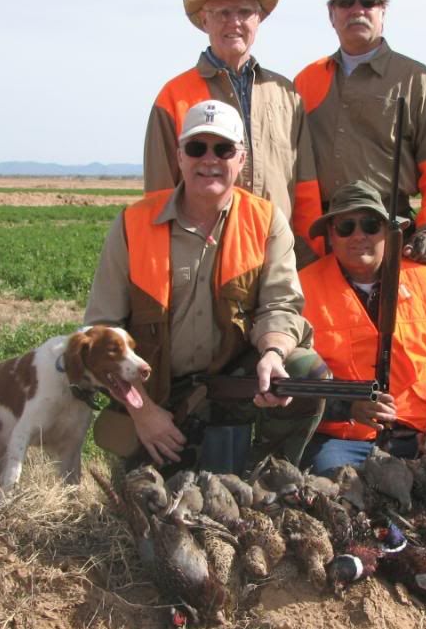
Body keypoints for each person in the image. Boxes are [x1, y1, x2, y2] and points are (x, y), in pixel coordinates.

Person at [86, 100, 326, 475]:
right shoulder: (133, 224)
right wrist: (143, 412)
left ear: (241, 159)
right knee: (154, 499)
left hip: (231, 381)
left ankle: (268, 479)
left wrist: (273, 354)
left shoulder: (266, 220)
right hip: (158, 391)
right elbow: (100, 334)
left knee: (304, 372)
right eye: (197, 148)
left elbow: (280, 305)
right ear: (179, 157)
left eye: (224, 149)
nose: (209, 160)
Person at [143, 0, 322, 262]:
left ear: (259, 19)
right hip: (204, 259)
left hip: (277, 255)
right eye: (223, 13)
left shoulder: (287, 95)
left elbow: (306, 187)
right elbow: (159, 196)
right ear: (205, 21)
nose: (234, 22)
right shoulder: (173, 96)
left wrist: (309, 254)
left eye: (244, 12)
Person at [299, 181, 426, 477]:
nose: (359, 236)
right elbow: (292, 381)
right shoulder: (303, 288)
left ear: (388, 232)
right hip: (342, 439)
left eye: (371, 225)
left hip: (420, 437)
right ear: (330, 234)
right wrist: (347, 406)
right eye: (346, 227)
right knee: (338, 495)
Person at [294, 0, 426, 267]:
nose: (357, 10)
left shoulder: (417, 80)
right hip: (324, 233)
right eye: (345, 2)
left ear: (383, 12)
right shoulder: (306, 81)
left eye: (368, 1)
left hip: (389, 229)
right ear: (331, 14)